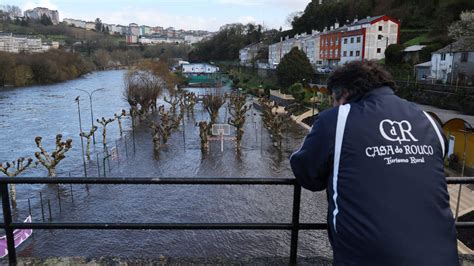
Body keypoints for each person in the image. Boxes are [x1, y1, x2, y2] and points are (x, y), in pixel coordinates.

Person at [290, 60, 459, 265]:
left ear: (342, 95)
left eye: (333, 100)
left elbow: (307, 173)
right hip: (444, 258)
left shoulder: (338, 118)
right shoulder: (429, 120)